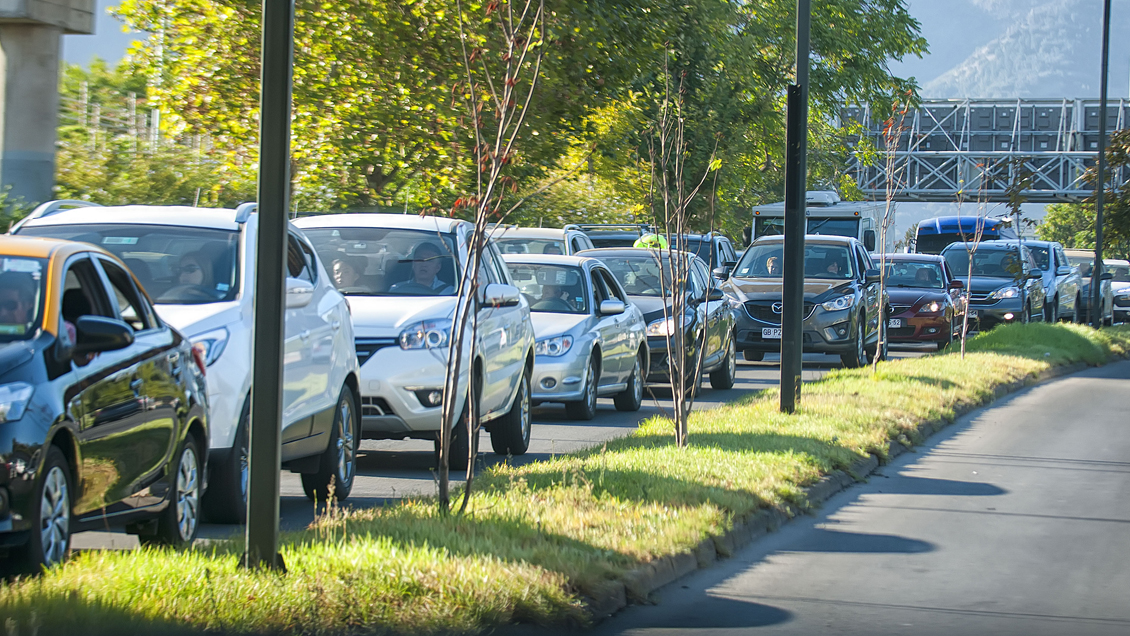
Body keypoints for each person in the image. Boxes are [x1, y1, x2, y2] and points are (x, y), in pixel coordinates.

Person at [390, 242, 455, 294]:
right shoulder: (397, 289)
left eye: (430, 260)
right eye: (420, 259)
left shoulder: (449, 292)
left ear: (438, 267)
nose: (424, 264)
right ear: (413, 264)